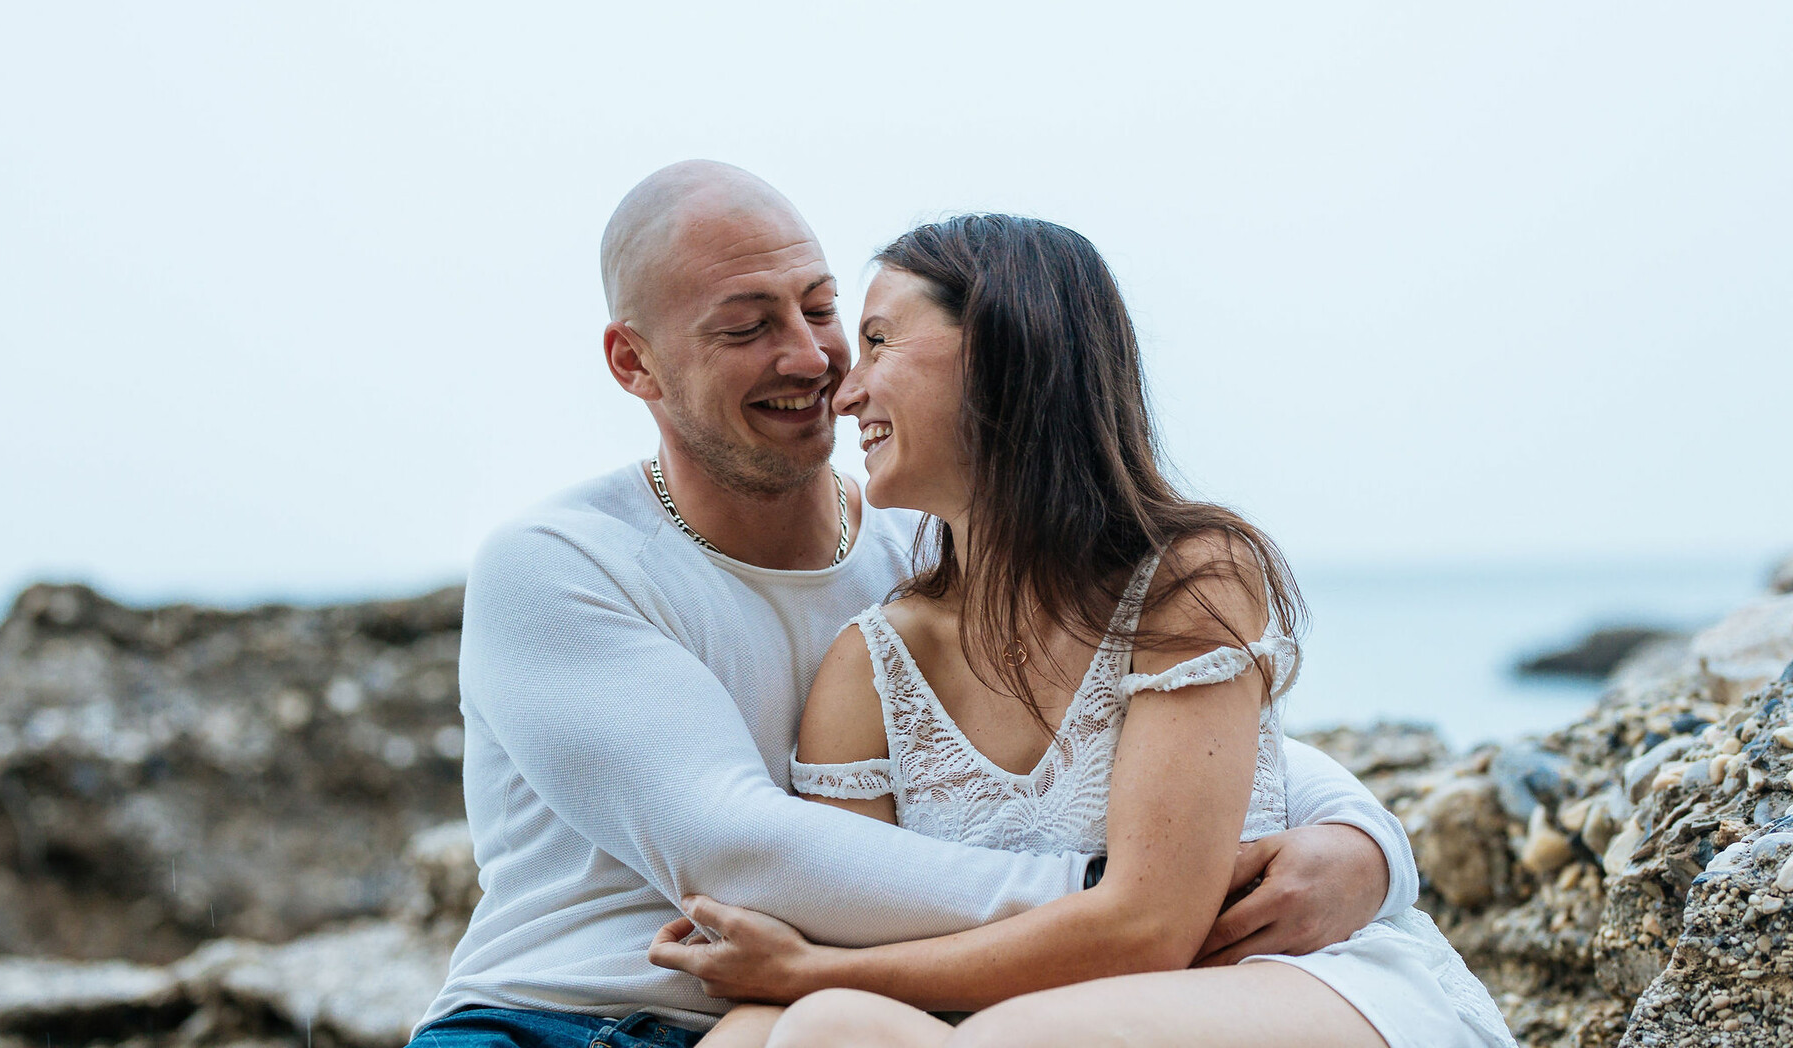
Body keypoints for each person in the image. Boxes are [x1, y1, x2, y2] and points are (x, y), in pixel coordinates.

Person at [408, 163, 1423, 1048]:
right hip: (560, 1014)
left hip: (819, 1006)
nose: (813, 361)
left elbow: (1155, 731)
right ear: (635, 363)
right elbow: (734, 846)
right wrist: (1130, 897)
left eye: (819, 310)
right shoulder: (559, 563)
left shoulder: (928, 546)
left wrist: (1364, 841)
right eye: (747, 327)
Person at [647, 215, 1516, 1048]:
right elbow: (840, 913)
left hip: (1278, 984)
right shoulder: (871, 664)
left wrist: (807, 974)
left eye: (879, 341)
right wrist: (807, 979)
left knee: (945, 1031)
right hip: (1015, 1011)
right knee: (785, 1035)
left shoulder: (1191, 578)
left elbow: (1150, 929)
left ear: (1002, 349)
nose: (846, 390)